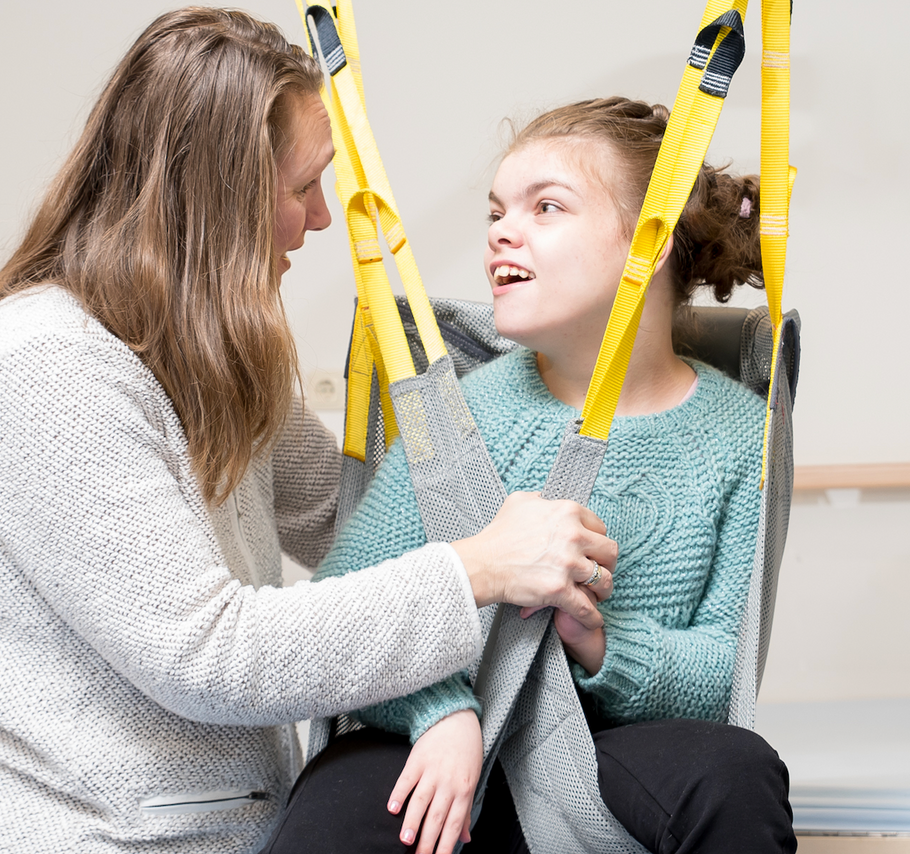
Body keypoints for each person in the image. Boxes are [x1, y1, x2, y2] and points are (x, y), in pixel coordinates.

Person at [0, 8, 619, 853]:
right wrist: (482, 568)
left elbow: (355, 520)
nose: (320, 219)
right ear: (213, 197)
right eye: (301, 188)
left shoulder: (213, 357)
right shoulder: (43, 367)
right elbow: (211, 655)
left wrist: (533, 390)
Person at [265, 97, 796, 854]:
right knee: (333, 810)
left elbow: (721, 671)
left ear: (655, 239)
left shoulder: (741, 438)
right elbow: (347, 605)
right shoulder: (457, 410)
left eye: (547, 207)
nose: (501, 232)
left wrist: (598, 639)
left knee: (738, 773)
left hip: (612, 753)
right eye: (495, 212)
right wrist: (440, 711)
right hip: (447, 735)